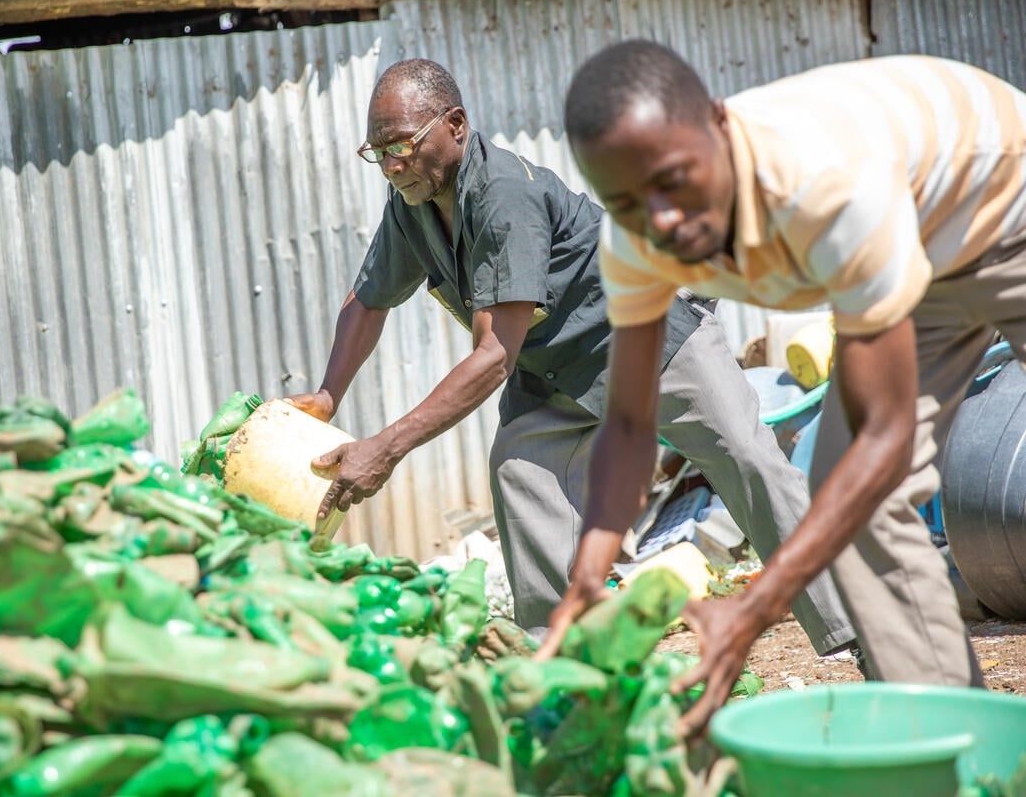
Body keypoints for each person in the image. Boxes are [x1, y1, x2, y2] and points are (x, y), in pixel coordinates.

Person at [287, 58, 854, 654]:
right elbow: (367, 300)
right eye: (377, 152)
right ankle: (564, 667)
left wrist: (386, 447)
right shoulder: (411, 204)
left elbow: (492, 358)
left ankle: (855, 628)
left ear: (455, 124)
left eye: (402, 145)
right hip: (556, 373)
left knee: (747, 460)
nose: (392, 164)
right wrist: (328, 395)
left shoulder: (505, 194)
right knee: (522, 472)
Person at [550, 39, 1022, 734]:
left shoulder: (820, 180)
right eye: (625, 202)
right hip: (913, 246)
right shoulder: (635, 238)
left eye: (675, 180)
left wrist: (756, 608)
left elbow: (886, 437)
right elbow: (627, 423)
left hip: (1005, 194)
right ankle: (958, 746)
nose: (662, 222)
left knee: (861, 471)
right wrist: (591, 567)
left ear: (718, 123)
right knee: (851, 493)